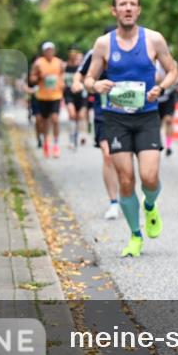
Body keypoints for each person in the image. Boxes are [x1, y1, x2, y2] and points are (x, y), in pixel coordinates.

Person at [84, 0, 178, 257]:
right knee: (126, 180)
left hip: (147, 116)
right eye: (122, 4)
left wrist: (161, 88)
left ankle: (150, 204)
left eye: (132, 4)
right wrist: (96, 84)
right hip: (116, 120)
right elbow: (88, 80)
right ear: (114, 11)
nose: (127, 8)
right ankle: (135, 236)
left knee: (149, 177)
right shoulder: (103, 44)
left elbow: (173, 71)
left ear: (138, 10)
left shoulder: (153, 39)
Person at [74, 30, 120, 220]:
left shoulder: (135, 50)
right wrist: (79, 84)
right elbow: (81, 75)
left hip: (130, 114)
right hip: (104, 113)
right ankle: (113, 202)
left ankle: (128, 196)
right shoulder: (95, 53)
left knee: (124, 160)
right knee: (108, 156)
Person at [29, 42, 65, 158]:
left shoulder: (59, 62)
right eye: (47, 50)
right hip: (42, 96)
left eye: (51, 50)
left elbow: (63, 75)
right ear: (44, 52)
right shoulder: (38, 63)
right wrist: (40, 77)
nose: (49, 52)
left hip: (56, 96)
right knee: (42, 121)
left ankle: (55, 145)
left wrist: (62, 83)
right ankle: (45, 142)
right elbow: (32, 78)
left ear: (54, 51)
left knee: (55, 119)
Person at [63, 47, 88, 148]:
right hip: (69, 94)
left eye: (75, 53)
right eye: (71, 52)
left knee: (81, 116)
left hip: (81, 94)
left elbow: (87, 78)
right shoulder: (64, 66)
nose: (73, 54)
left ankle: (82, 134)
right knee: (72, 114)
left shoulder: (81, 67)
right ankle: (72, 139)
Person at [155, 53, 178, 156]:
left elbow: (177, 78)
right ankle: (157, 142)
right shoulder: (154, 64)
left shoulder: (173, 64)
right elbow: (154, 79)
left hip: (169, 96)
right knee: (157, 123)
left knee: (169, 120)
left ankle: (169, 146)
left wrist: (171, 80)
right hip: (156, 97)